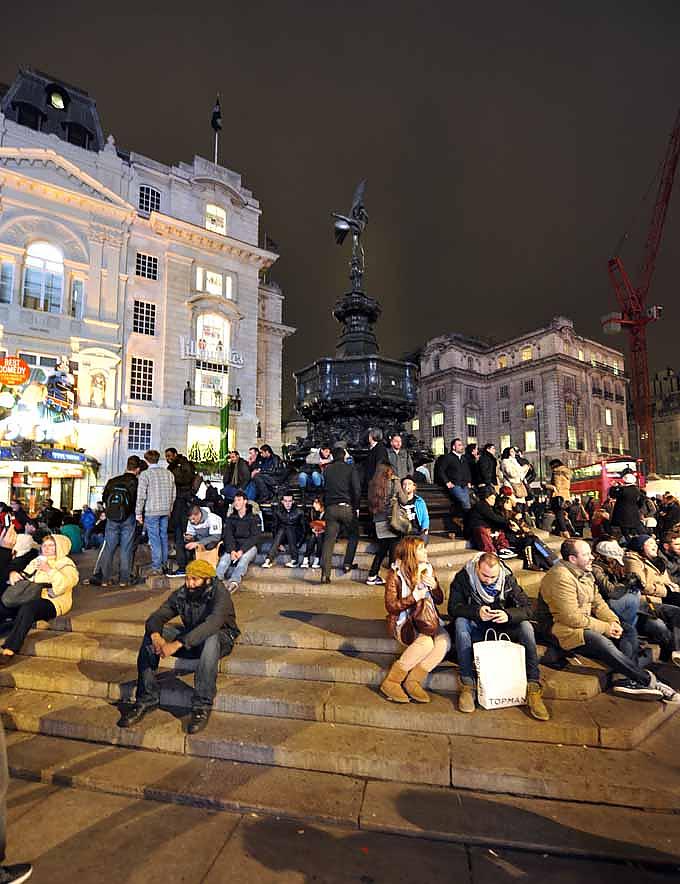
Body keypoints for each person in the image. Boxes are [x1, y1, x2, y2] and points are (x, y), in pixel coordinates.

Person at [536, 539, 676, 700]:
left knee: (627, 630)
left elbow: (598, 604)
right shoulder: (560, 577)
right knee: (602, 642)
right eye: (586, 554)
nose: (592, 557)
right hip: (557, 628)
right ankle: (648, 680)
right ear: (573, 559)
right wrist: (605, 628)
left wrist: (613, 621)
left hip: (580, 621)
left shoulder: (584, 572)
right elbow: (570, 617)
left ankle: (623, 678)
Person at [117, 559, 240, 734]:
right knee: (151, 635)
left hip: (221, 638)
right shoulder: (182, 594)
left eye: (195, 579)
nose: (190, 584)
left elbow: (212, 624)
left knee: (211, 637)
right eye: (187, 578)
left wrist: (176, 644)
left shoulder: (220, 594)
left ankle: (202, 705)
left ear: (207, 580)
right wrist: (156, 636)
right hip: (191, 637)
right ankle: (147, 698)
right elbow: (157, 616)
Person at [448, 551, 549, 719]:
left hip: (502, 629)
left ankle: (533, 685)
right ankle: (467, 683)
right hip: (477, 627)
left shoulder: (507, 577)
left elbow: (529, 608)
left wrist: (508, 615)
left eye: (493, 577)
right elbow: (453, 608)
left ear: (499, 571)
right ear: (477, 567)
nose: (488, 580)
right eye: (484, 575)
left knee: (526, 627)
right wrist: (476, 612)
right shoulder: (464, 577)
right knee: (460, 623)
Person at [379, 536, 451, 703]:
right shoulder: (396, 574)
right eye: (421, 549)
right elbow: (391, 606)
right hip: (406, 624)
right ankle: (392, 681)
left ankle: (413, 681)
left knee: (444, 641)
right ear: (411, 553)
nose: (426, 551)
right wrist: (414, 597)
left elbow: (440, 600)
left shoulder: (428, 569)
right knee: (426, 643)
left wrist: (434, 587)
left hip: (427, 620)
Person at [0, 534, 78, 658]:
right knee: (4, 606)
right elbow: (26, 575)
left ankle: (10, 648)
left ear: (60, 547)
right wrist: (14, 574)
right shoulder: (37, 560)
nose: (46, 548)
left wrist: (49, 570)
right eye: (44, 545)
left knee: (29, 608)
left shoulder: (67, 564)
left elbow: (65, 585)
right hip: (31, 595)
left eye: (51, 545)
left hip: (54, 601)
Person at [623, 534, 680, 667]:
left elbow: (667, 582)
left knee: (677, 612)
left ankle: (675, 652)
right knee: (659, 626)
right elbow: (640, 585)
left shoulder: (658, 561)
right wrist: (666, 590)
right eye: (650, 543)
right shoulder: (632, 559)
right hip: (643, 603)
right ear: (640, 547)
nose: (655, 546)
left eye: (655, 543)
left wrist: (672, 587)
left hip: (659, 601)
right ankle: (672, 651)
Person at [592, 538, 644, 664]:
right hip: (603, 604)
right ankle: (629, 663)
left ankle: (630, 651)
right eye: (614, 560)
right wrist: (626, 584)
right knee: (632, 601)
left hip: (610, 602)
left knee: (635, 593)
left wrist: (630, 580)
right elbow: (610, 591)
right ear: (607, 558)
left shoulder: (609, 567)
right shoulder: (596, 569)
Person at [99, 455, 142, 587]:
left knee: (109, 547)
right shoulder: (136, 483)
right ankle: (124, 579)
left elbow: (104, 497)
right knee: (126, 548)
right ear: (138, 469)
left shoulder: (113, 480)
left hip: (112, 517)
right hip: (129, 517)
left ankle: (105, 579)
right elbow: (137, 501)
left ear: (127, 466)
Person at [320, 446, 361, 584]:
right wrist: (356, 507)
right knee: (354, 535)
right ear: (344, 456)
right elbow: (356, 490)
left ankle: (325, 574)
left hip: (331, 508)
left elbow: (324, 488)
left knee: (329, 541)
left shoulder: (327, 470)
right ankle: (347, 563)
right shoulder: (350, 469)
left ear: (332, 456)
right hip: (346, 507)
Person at [365, 464, 409, 586]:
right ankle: (393, 579)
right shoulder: (394, 482)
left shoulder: (372, 484)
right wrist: (404, 490)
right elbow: (404, 500)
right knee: (394, 551)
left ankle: (372, 576)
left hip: (378, 520)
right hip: (392, 520)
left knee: (382, 550)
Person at [135, 449, 177, 577]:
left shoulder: (145, 474)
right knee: (163, 536)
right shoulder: (169, 474)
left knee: (154, 539)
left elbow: (141, 495)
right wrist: (170, 508)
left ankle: (157, 566)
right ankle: (163, 564)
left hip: (152, 510)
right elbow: (173, 494)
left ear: (146, 460)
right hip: (165, 510)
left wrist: (138, 512)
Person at [216, 491, 262, 592]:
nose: (236, 503)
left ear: (245, 501)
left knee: (243, 561)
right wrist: (232, 550)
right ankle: (216, 581)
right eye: (235, 500)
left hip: (249, 547)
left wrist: (241, 551)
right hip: (234, 546)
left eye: (239, 500)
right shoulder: (231, 518)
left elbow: (255, 537)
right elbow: (228, 536)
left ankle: (234, 582)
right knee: (223, 561)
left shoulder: (254, 517)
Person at [165, 447, 197, 578]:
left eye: (169, 455)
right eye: (166, 456)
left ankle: (183, 565)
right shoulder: (173, 467)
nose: (168, 458)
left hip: (182, 501)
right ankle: (184, 564)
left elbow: (186, 479)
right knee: (180, 533)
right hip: (179, 501)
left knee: (181, 533)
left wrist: (173, 479)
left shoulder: (182, 465)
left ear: (175, 454)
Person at [468, 486, 517, 559]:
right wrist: (509, 522)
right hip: (475, 530)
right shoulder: (481, 505)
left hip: (486, 527)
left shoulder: (489, 506)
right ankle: (491, 551)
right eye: (492, 498)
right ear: (486, 498)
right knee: (482, 531)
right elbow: (493, 517)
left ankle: (502, 549)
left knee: (499, 531)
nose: (494, 500)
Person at [261, 493, 306, 568]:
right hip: (282, 537)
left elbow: (303, 529)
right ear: (282, 502)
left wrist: (300, 543)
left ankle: (294, 559)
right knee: (283, 528)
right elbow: (274, 528)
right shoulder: (278, 512)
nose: (288, 503)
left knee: (288, 528)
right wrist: (279, 544)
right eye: (285, 501)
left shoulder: (299, 512)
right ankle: (269, 559)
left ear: (293, 502)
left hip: (295, 537)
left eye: (290, 501)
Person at [609, 473, 646, 539]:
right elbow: (641, 502)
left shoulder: (623, 490)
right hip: (634, 516)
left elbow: (612, 495)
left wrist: (614, 487)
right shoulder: (637, 490)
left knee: (625, 534)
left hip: (622, 516)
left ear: (624, 481)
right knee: (633, 533)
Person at [545, 459, 572, 538]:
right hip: (566, 496)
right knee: (561, 516)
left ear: (554, 465)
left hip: (558, 497)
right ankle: (561, 534)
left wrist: (545, 486)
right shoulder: (566, 473)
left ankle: (566, 534)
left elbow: (556, 487)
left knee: (559, 516)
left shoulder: (557, 473)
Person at [401, 475, 430, 543]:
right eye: (404, 484)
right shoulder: (398, 501)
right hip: (403, 531)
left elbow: (425, 517)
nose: (406, 486)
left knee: (423, 540)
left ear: (414, 486)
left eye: (409, 484)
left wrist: (425, 528)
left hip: (417, 531)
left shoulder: (419, 501)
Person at [302, 497, 325, 569]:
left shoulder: (328, 512)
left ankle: (317, 558)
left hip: (325, 534)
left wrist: (323, 530)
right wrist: (313, 529)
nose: (314, 505)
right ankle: (306, 558)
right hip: (313, 532)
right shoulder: (312, 511)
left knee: (319, 536)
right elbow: (307, 523)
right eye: (314, 503)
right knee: (313, 536)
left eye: (316, 503)